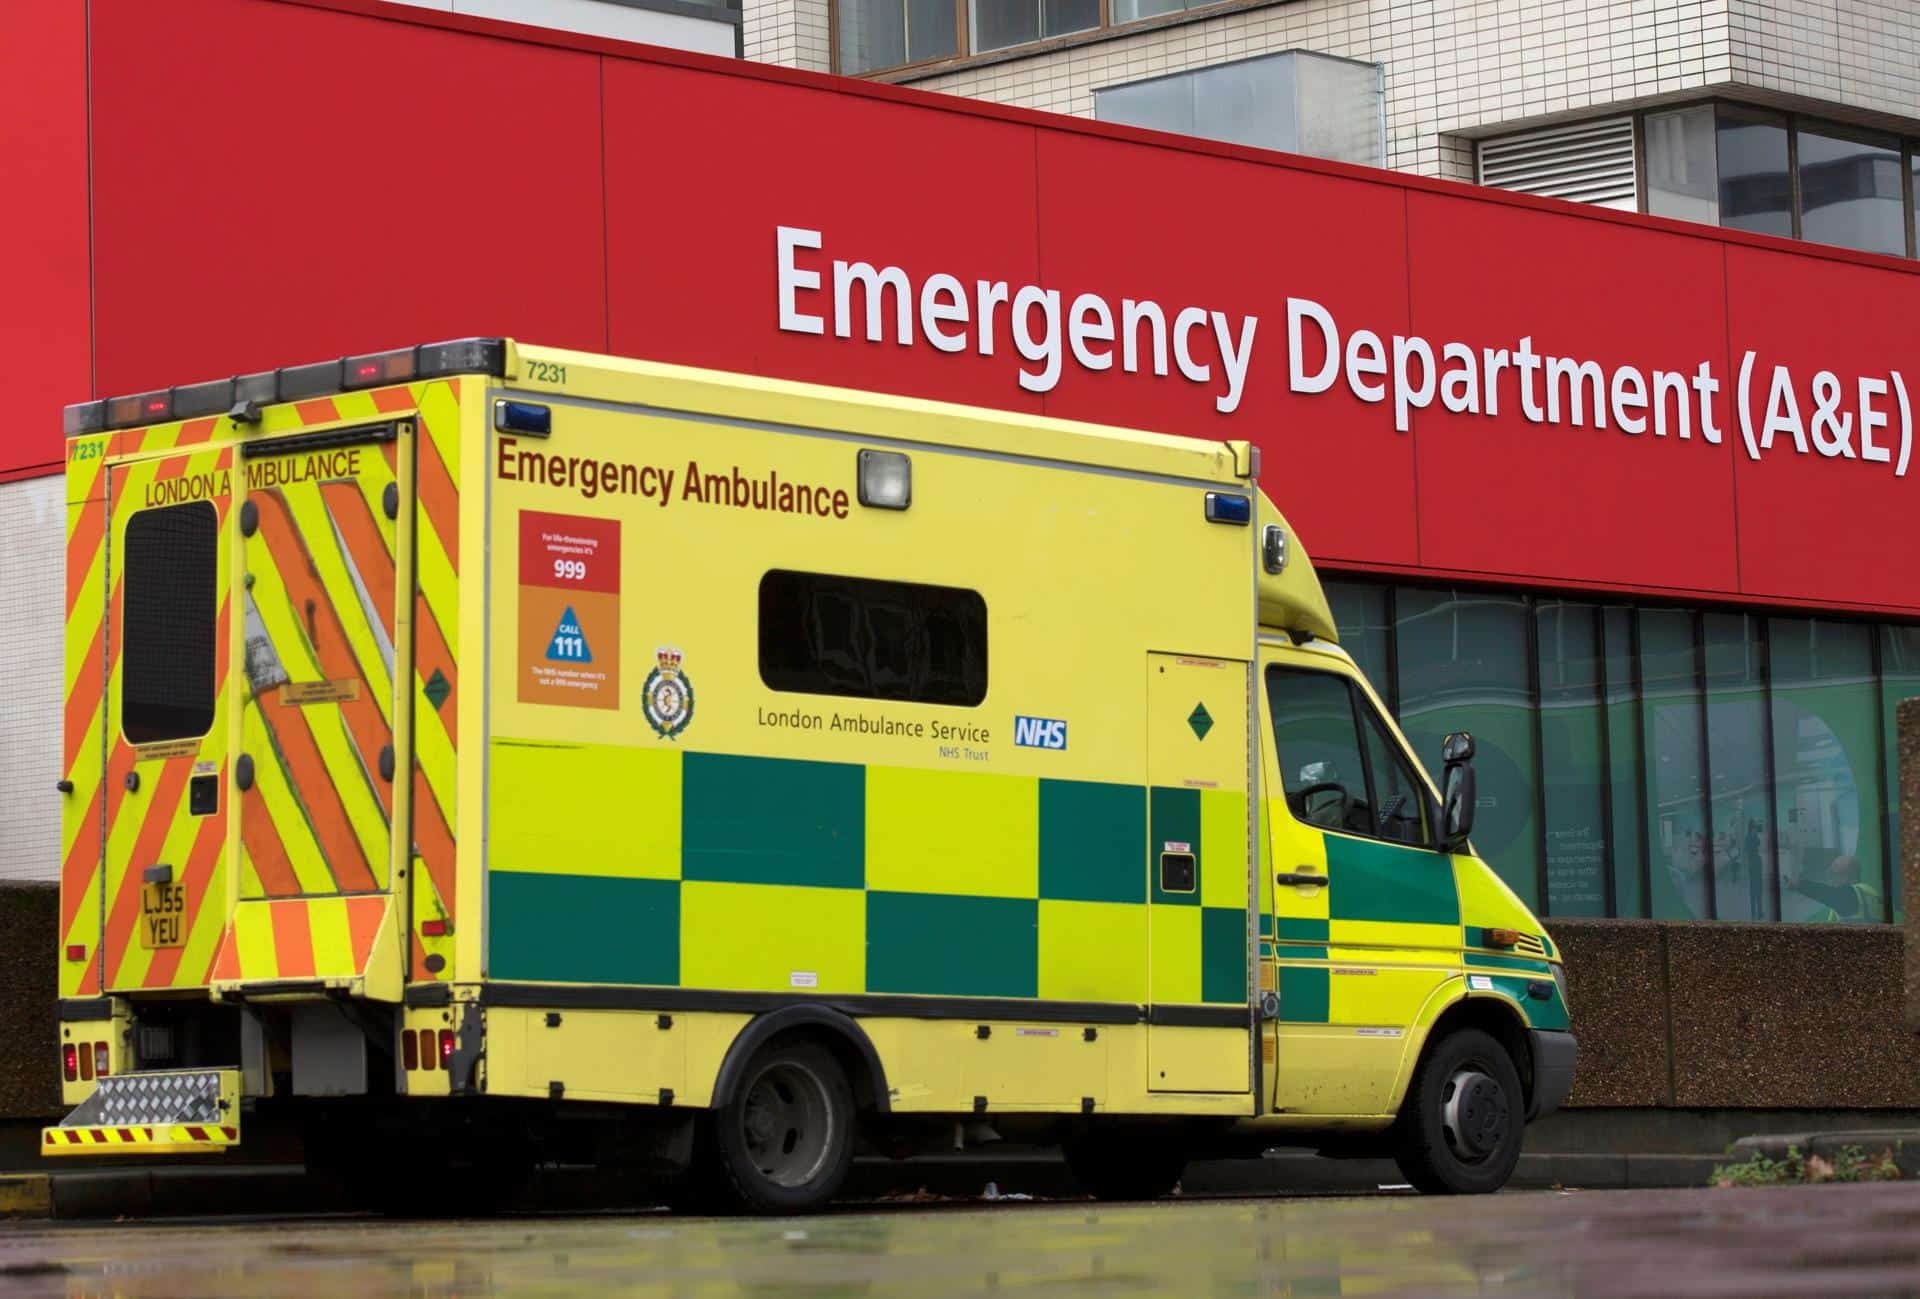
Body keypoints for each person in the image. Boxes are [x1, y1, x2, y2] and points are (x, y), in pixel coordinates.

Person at [1785, 854, 1882, 924]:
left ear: (1847, 876)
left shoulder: (1850, 895)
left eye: (1834, 874)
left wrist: (1800, 885)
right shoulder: (1869, 892)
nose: (1831, 879)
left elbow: (1827, 894)